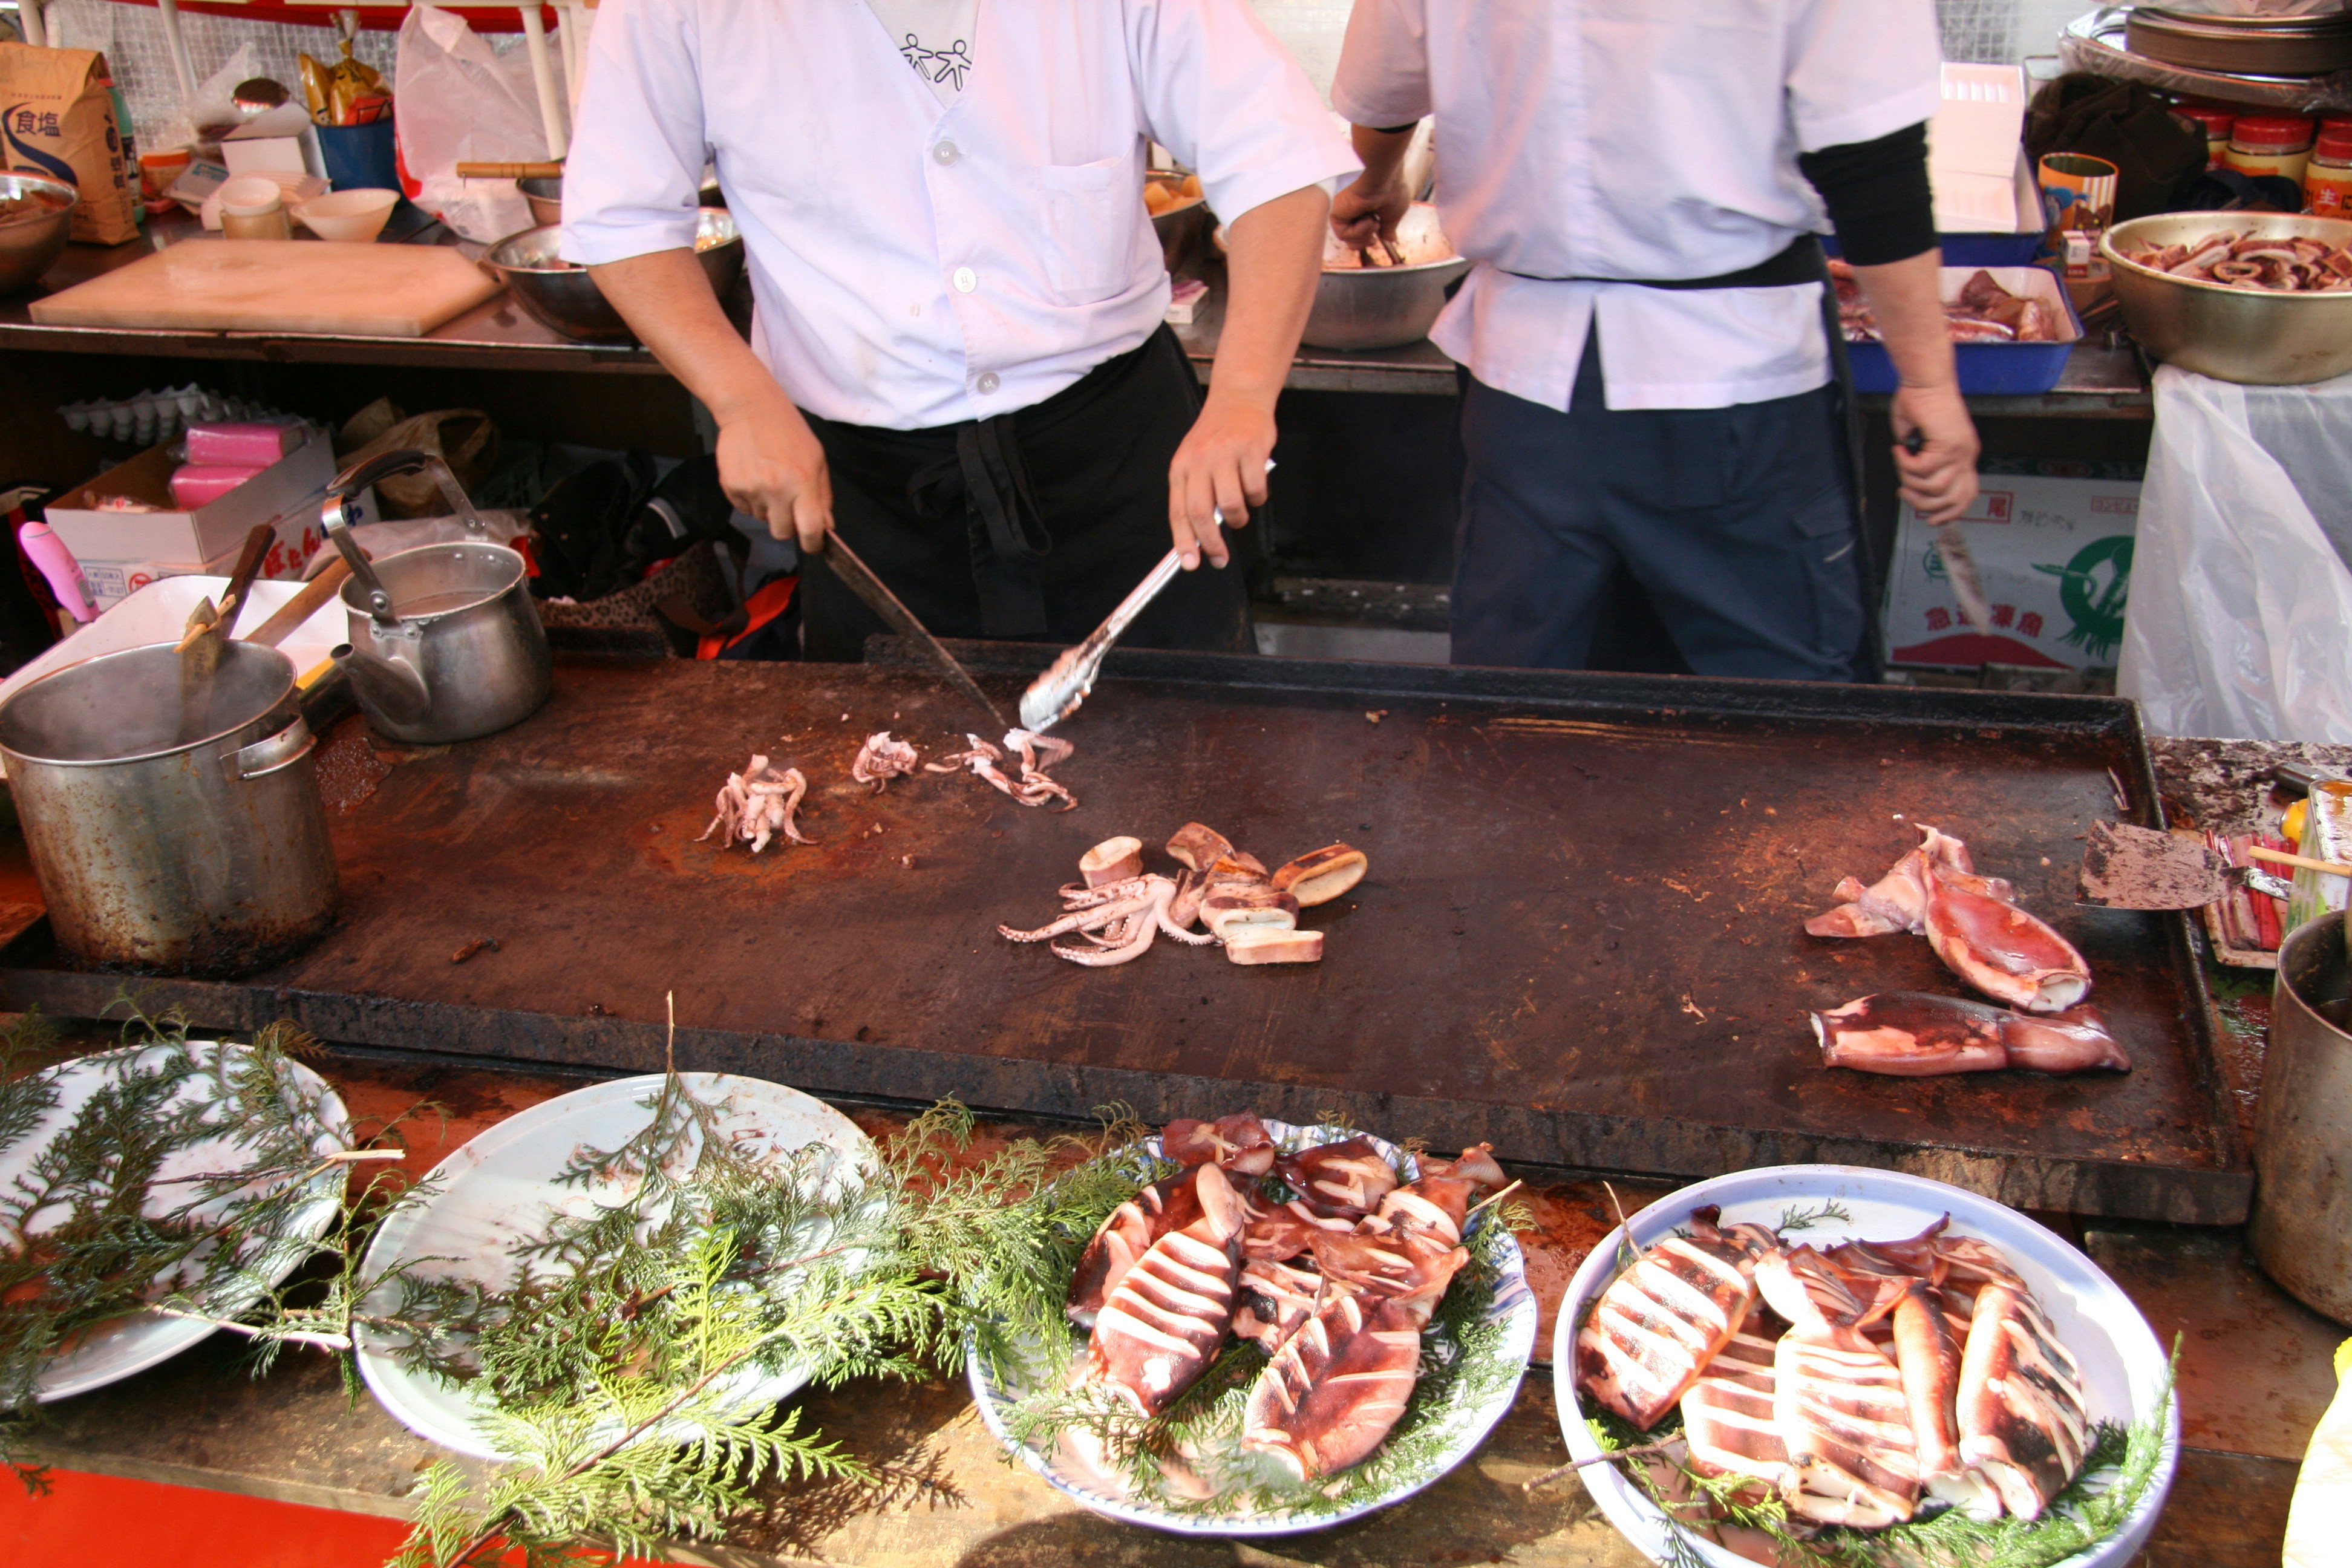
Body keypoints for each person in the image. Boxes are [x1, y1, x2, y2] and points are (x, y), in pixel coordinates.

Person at [564, 2, 1357, 660]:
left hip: (1122, 466)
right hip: (865, 500)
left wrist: (1243, 394)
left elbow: (1275, 156)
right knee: (888, 787)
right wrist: (742, 401)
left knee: (1193, 760)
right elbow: (625, 219)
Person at [1328, 0, 1982, 682]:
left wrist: (1377, 179)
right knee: (1783, 708)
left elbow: (1385, 88)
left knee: (1520, 699)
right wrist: (1928, 381)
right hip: (1737, 390)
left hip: (1526, 390)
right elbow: (1871, 160)